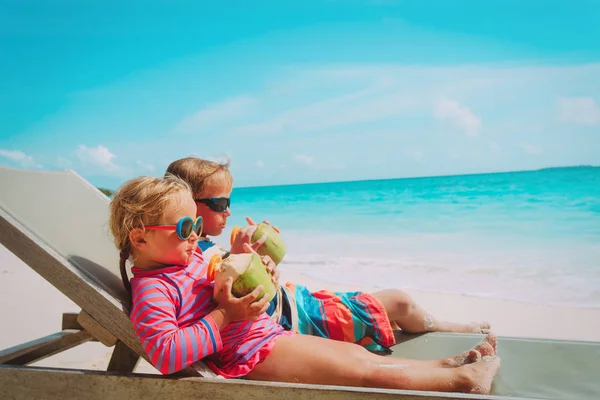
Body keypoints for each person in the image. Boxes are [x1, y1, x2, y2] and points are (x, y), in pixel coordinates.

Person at [108, 174, 501, 393]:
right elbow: (165, 353)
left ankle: (443, 365)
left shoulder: (186, 256)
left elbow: (219, 271)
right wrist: (224, 317)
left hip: (263, 335)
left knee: (360, 359)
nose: (195, 234)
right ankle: (461, 381)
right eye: (184, 227)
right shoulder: (153, 289)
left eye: (197, 224)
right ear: (140, 238)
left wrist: (253, 268)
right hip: (250, 353)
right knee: (363, 375)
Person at [165, 157, 490, 353]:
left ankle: (432, 326)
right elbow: (226, 297)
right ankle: (446, 327)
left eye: (229, 202)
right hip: (300, 321)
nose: (228, 212)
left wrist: (261, 258)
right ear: (187, 203)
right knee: (398, 302)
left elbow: (254, 283)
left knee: (385, 309)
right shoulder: (193, 258)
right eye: (220, 204)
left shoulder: (205, 249)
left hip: (297, 301)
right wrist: (238, 258)